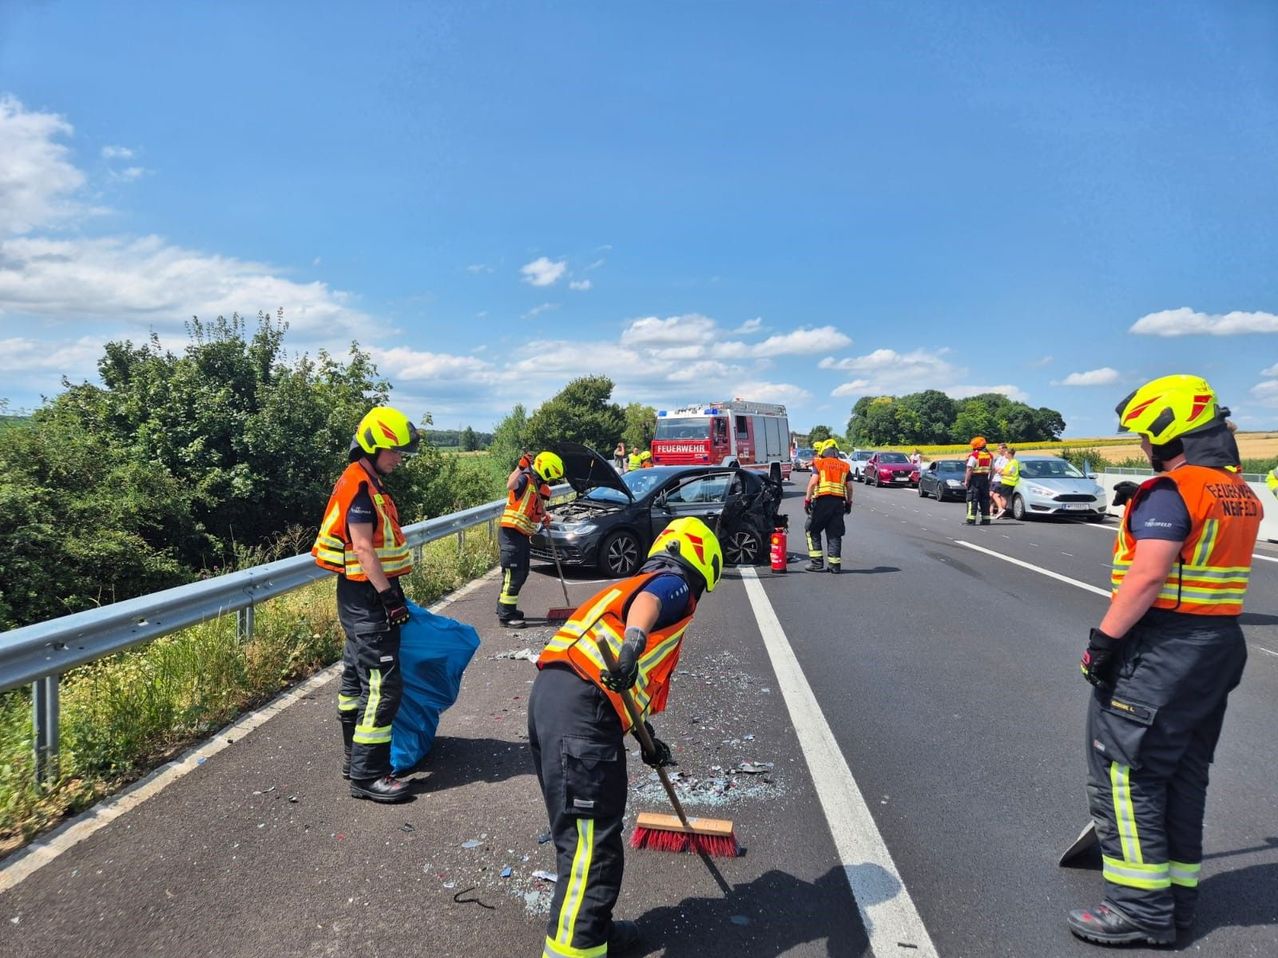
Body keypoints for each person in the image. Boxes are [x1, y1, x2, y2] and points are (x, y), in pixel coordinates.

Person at [1069, 375, 1263, 947]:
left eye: (1144, 436)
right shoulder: (1238, 490)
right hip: (1217, 645)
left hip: (1162, 649)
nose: (1141, 446)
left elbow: (1149, 574)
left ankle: (1138, 909)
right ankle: (1175, 900)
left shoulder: (1169, 491)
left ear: (1168, 433)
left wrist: (1103, 642)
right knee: (1182, 774)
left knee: (1126, 776)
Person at [528, 516, 722, 958]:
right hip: (582, 713)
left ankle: (594, 932)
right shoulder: (672, 582)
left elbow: (618, 685)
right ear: (701, 563)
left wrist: (646, 737)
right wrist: (632, 647)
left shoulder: (623, 588)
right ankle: (575, 949)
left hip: (553, 700)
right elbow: (649, 605)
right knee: (591, 848)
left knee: (583, 837)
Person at [312, 406, 421, 803]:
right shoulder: (359, 487)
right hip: (368, 598)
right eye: (395, 451)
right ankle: (368, 775)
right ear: (374, 447)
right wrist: (389, 598)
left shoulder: (365, 481)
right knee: (382, 686)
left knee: (356, 680)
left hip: (358, 595)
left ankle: (353, 760)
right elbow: (362, 547)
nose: (399, 459)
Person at [498, 450, 564, 628]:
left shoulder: (539, 487)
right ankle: (506, 616)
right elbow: (510, 485)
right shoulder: (525, 479)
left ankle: (506, 608)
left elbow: (533, 510)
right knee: (514, 575)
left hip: (522, 536)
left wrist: (544, 517)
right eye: (552, 476)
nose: (552, 481)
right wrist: (520, 467)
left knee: (521, 573)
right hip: (511, 533)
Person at [804, 438, 854, 572]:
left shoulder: (820, 464)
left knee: (811, 529)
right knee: (834, 534)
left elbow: (812, 483)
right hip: (838, 504)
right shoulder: (845, 466)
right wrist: (849, 503)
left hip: (821, 502)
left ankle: (816, 563)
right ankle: (834, 566)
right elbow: (850, 488)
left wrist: (807, 501)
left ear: (823, 452)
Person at [963, 437, 993, 525]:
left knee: (972, 499)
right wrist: (990, 480)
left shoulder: (974, 455)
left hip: (975, 480)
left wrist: (966, 481)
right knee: (985, 500)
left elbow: (969, 469)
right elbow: (993, 469)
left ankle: (971, 520)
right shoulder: (990, 456)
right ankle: (986, 520)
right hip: (985, 479)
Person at [995, 447, 1020, 518]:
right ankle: (1001, 511)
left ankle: (1001, 512)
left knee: (1003, 498)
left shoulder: (1014, 462)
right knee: (1001, 497)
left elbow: (1011, 472)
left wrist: (1002, 473)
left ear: (1009, 454)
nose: (1005, 455)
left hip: (1009, 482)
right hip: (1005, 481)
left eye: (1006, 454)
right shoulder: (1009, 462)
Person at [990, 442, 1010, 517]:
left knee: (995, 495)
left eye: (999, 449)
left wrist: (995, 469)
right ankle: (991, 512)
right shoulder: (999, 458)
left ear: (1004, 449)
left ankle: (1000, 510)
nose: (998, 450)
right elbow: (994, 468)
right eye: (997, 449)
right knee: (992, 495)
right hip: (995, 478)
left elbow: (1001, 470)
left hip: (1000, 479)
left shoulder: (1006, 459)